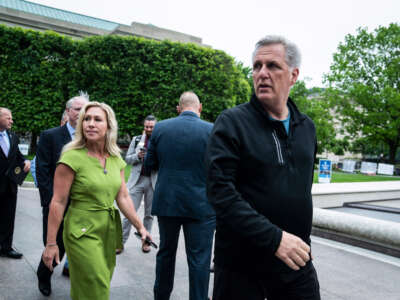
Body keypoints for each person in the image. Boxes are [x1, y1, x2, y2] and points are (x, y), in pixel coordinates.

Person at [205, 35, 320, 300]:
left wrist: (293, 242)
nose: (262, 74)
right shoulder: (231, 122)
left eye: (272, 66)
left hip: (296, 263)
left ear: (293, 75)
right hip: (240, 268)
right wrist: (275, 239)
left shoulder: (308, 128)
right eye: (257, 66)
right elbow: (219, 193)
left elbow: (300, 190)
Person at [42, 101, 152, 300]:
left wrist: (140, 227)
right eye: (86, 119)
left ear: (108, 126)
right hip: (80, 229)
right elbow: (57, 202)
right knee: (97, 282)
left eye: (97, 119)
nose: (90, 124)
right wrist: (51, 243)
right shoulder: (71, 157)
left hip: (107, 230)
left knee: (94, 283)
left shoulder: (115, 157)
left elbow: (123, 196)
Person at [145, 91, 216, 300]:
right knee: (200, 260)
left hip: (168, 202)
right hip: (202, 205)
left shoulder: (160, 128)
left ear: (178, 108)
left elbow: (150, 165)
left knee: (166, 254)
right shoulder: (212, 130)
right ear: (200, 107)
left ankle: (161, 297)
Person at [36, 94, 89, 296]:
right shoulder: (50, 136)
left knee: (70, 245)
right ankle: (44, 275)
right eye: (76, 108)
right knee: (52, 244)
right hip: (56, 203)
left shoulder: (90, 138)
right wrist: (50, 201)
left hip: (81, 204)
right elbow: (42, 170)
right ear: (68, 111)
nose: (80, 112)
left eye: (84, 108)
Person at [122, 115, 158, 253]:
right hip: (137, 180)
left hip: (152, 181)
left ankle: (146, 242)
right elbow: (127, 159)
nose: (148, 129)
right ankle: (121, 242)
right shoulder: (136, 139)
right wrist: (138, 157)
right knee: (128, 213)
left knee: (149, 215)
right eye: (146, 126)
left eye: (151, 127)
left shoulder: (160, 141)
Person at [0, 107, 30, 258]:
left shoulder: (12, 136)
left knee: (9, 217)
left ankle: (6, 247)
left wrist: (25, 161)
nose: (11, 121)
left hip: (10, 185)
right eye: (8, 118)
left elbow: (17, 155)